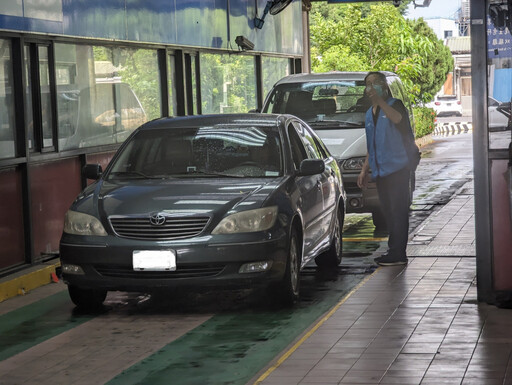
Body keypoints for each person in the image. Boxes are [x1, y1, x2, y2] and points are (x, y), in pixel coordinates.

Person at [357, 71, 414, 266]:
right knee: (388, 212)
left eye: (375, 83)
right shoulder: (368, 114)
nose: (371, 87)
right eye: (368, 84)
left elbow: (398, 120)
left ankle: (398, 253)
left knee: (398, 211)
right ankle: (394, 250)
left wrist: (380, 101)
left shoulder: (394, 105)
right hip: (380, 172)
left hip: (398, 168)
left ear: (384, 85)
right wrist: (365, 170)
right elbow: (371, 144)